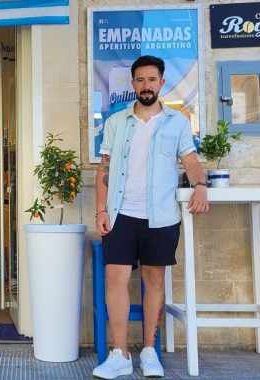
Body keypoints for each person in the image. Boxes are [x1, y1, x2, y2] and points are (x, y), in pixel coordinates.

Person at [93, 55, 209, 379]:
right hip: (120, 213)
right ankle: (119, 354)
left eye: (152, 79)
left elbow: (191, 160)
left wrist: (201, 185)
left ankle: (148, 351)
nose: (146, 85)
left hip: (160, 216)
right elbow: (102, 170)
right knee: (115, 279)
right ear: (133, 84)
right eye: (140, 80)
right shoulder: (116, 122)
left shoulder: (177, 122)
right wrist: (101, 210)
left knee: (154, 279)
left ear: (160, 83)